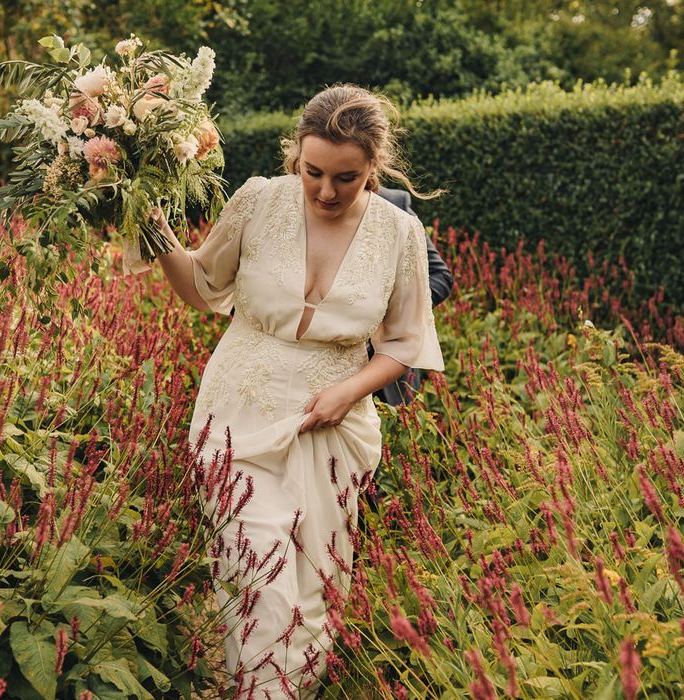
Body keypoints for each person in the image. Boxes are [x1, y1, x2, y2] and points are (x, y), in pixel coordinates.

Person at [125, 84, 444, 698]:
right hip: (238, 409)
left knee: (312, 586)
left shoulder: (399, 232)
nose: (325, 191)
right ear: (294, 155)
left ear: (373, 166)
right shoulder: (258, 201)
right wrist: (158, 228)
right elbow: (203, 287)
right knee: (256, 571)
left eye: (346, 177)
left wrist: (349, 391)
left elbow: (405, 344)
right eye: (312, 171)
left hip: (333, 426)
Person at [372, 186, 454, 406]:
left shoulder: (393, 204)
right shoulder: (282, 206)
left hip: (388, 380)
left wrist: (385, 313)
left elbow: (439, 276)